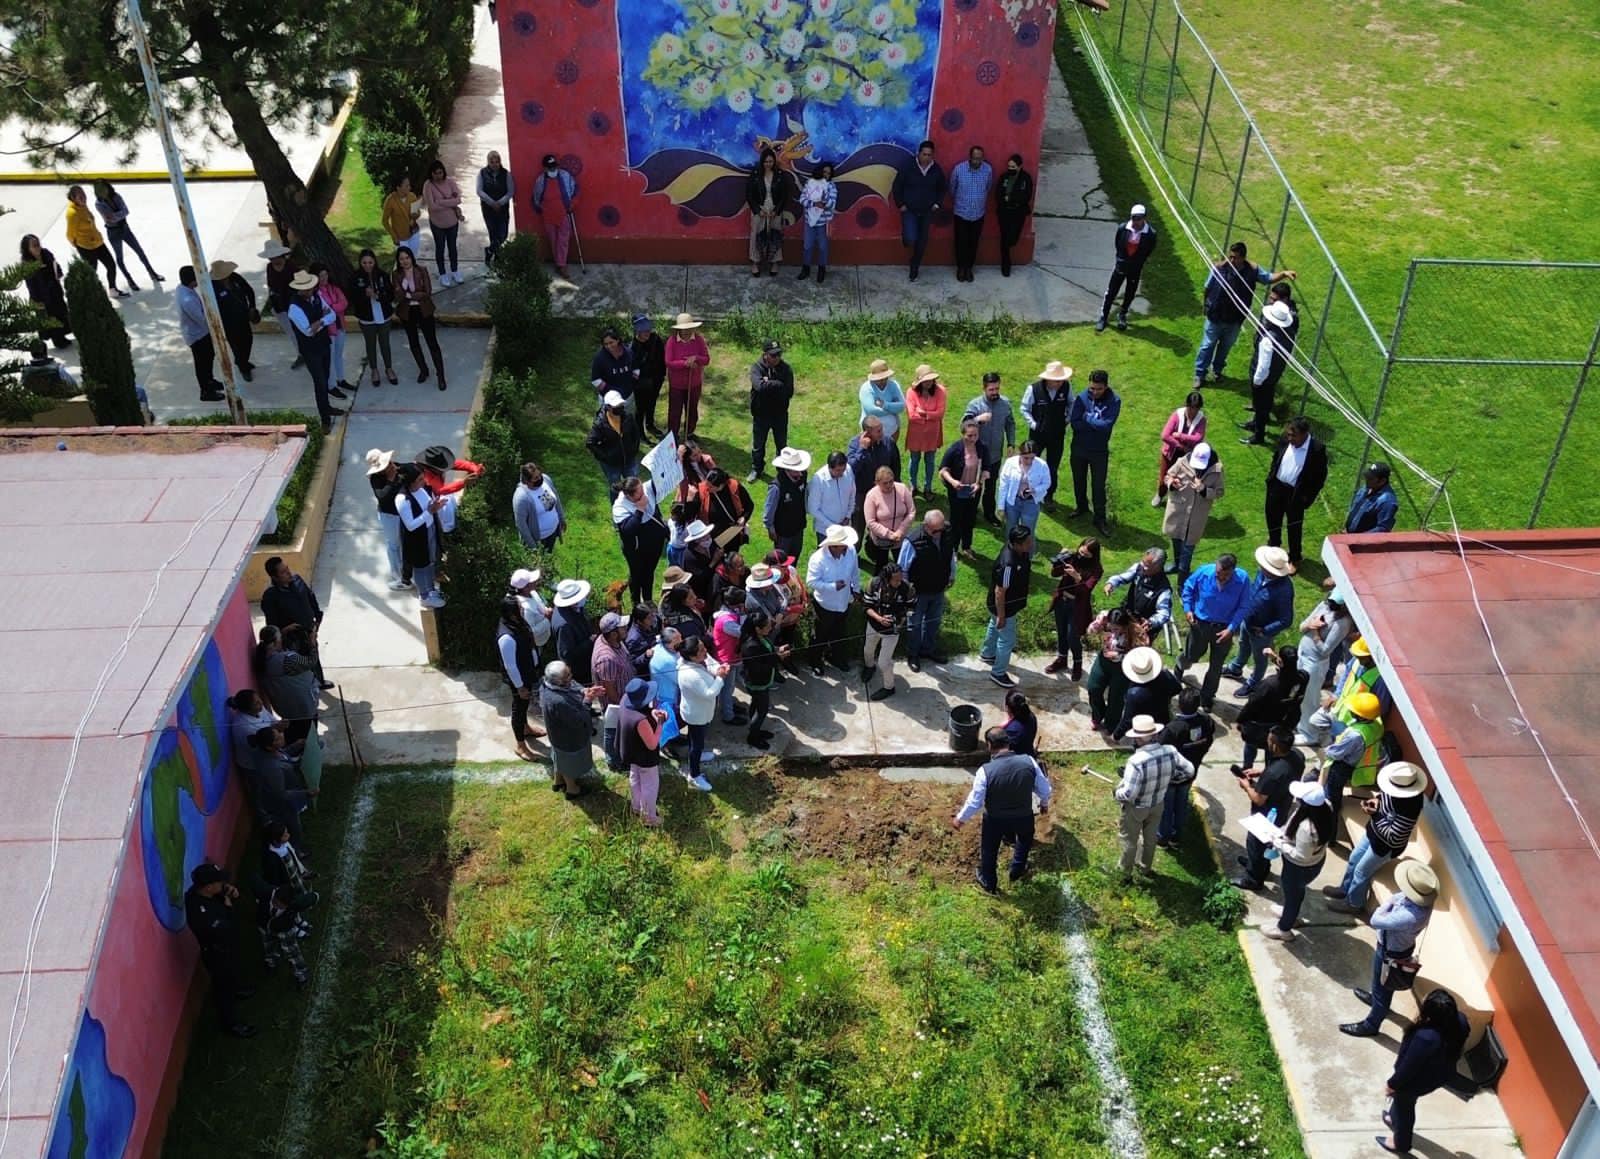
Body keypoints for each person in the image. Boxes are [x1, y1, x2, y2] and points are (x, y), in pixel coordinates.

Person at [1339, 861, 1440, 1039]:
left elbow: (1376, 919)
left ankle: (1371, 1024)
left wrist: (1387, 904)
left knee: (1383, 988)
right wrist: (1392, 902)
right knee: (1384, 983)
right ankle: (1377, 1000)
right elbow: (1397, 898)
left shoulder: (1409, 916)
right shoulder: (1423, 900)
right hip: (1399, 948)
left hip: (1391, 953)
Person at [952, 725, 1054, 893]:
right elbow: (1044, 789)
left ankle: (989, 882)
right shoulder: (1028, 761)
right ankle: (1017, 871)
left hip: (995, 820)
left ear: (990, 745)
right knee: (1024, 840)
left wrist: (960, 819)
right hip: (1023, 816)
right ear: (1008, 742)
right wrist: (1043, 804)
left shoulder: (985, 772)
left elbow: (975, 802)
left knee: (989, 850)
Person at [1325, 761, 1429, 916]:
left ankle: (1354, 903)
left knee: (1361, 871)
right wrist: (1377, 801)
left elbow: (1394, 835)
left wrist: (1374, 814)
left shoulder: (1410, 807)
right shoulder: (1395, 786)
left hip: (1384, 846)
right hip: (1373, 833)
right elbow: (1385, 797)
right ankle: (1344, 889)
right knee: (1354, 858)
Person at [1379, 988, 1470, 1155]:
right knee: (1403, 1104)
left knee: (1405, 1106)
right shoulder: (1460, 1022)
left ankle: (1401, 1143)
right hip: (1438, 1075)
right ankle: (1394, 1118)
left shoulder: (1426, 1037)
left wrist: (1392, 1084)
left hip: (1416, 1081)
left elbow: (1408, 1067)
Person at [1195, 241, 1297, 388]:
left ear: (1243, 258)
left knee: (1225, 347)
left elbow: (1268, 278)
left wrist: (1283, 274)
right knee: (1207, 346)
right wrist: (1205, 305)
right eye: (1230, 256)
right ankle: (1199, 374)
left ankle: (1217, 371)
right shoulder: (1219, 268)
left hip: (1234, 320)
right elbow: (1207, 287)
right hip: (1215, 316)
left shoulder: (1253, 271)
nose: (1231, 260)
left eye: (1235, 257)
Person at [1114, 715, 1192, 884]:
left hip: (1137, 808)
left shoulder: (1135, 762)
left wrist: (1116, 792)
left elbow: (1129, 794)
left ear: (1138, 739)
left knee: (1129, 840)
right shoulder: (1171, 751)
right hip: (1158, 804)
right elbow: (1189, 771)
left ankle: (1124, 873)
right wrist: (1171, 778)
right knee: (1150, 840)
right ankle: (1144, 869)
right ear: (1155, 734)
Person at [185, 864, 256, 1037]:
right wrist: (229, 906)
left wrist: (227, 890)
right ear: (208, 887)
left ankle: (238, 989)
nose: (222, 884)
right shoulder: (201, 913)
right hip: (218, 954)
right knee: (224, 989)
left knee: (234, 973)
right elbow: (225, 928)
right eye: (219, 882)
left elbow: (220, 891)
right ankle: (231, 1024)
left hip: (227, 948)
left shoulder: (201, 892)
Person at [1231, 725, 1304, 891]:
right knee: (1267, 843)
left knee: (1256, 844)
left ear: (1274, 746)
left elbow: (1258, 799)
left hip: (1266, 813)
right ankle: (1261, 868)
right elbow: (1281, 772)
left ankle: (1253, 879)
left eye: (1269, 740)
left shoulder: (1273, 774)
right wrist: (1261, 772)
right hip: (1283, 807)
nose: (1266, 741)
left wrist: (1246, 786)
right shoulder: (1297, 757)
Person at [1263, 779, 1336, 941]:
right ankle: (1289, 913)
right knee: (1295, 893)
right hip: (1315, 861)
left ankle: (1284, 928)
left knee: (1294, 896)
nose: (1296, 800)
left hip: (1299, 868)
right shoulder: (1326, 807)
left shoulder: (1306, 828)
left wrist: (1278, 843)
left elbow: (1300, 855)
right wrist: (1282, 833)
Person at [1177, 552, 1250, 711]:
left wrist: (1231, 629)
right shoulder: (1204, 572)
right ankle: (1179, 669)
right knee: (1192, 654)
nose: (1221, 577)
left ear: (1233, 571)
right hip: (1200, 624)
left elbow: (1244, 606)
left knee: (1216, 666)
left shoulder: (1242, 579)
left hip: (1224, 630)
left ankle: (1207, 696)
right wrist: (1188, 609)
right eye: (1218, 573)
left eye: (1225, 575)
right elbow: (1188, 589)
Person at [1221, 545, 1297, 695]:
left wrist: (1265, 631)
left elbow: (1286, 619)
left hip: (1261, 632)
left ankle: (1254, 684)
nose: (1260, 566)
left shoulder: (1284, 590)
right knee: (1243, 645)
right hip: (1247, 621)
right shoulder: (1261, 574)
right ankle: (1236, 668)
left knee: (1260, 659)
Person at [261, 556, 334, 690]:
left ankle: (320, 681)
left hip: (309, 630)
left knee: (314, 656)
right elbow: (271, 624)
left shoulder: (297, 580)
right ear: (274, 577)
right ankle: (309, 688)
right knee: (301, 664)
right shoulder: (270, 596)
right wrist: (285, 630)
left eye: (287, 568)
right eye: (283, 572)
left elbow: (310, 597)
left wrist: (317, 618)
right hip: (292, 638)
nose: (288, 573)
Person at [898, 509, 957, 672]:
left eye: (940, 529)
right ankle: (913, 654)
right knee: (914, 625)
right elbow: (902, 569)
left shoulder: (946, 532)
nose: (938, 533)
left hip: (938, 589)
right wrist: (907, 591)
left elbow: (950, 554)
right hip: (917, 592)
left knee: (933, 622)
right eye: (934, 530)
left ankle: (928, 650)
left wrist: (952, 574)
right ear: (925, 526)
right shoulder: (912, 540)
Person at [1155, 688, 1213, 850]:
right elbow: (1208, 741)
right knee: (1181, 804)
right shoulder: (1206, 722)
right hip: (1191, 772)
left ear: (1179, 705)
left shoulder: (1173, 729)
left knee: (1166, 806)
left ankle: (1163, 838)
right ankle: (1176, 836)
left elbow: (1159, 750)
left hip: (1170, 775)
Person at [1233, 646, 1309, 770]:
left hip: (1260, 725)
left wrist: (1240, 720)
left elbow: (1252, 704)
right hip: (1282, 723)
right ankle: (1268, 769)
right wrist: (1274, 657)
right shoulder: (1303, 678)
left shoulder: (1269, 684)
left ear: (1281, 662)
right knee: (1272, 749)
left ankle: (1247, 769)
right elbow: (1290, 670)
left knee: (1251, 745)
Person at [1240, 294, 1299, 444]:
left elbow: (1263, 364)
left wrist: (1257, 380)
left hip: (1264, 377)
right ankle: (1255, 424)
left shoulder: (1268, 339)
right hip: (1275, 375)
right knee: (1266, 402)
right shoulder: (1289, 335)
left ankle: (1258, 435)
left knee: (1261, 406)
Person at [980, 524, 1035, 689]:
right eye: (1027, 541)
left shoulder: (1020, 553)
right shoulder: (1008, 564)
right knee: (1007, 640)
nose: (1031, 543)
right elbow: (1000, 592)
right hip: (1004, 607)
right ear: (1017, 543)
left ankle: (988, 654)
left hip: (1001, 606)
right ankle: (998, 673)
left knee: (993, 626)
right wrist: (1002, 615)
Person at [286, 269, 341, 430]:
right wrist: (322, 320)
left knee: (326, 376)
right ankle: (325, 418)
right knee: (320, 382)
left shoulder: (316, 296)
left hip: (323, 344)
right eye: (307, 289)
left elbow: (331, 315)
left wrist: (319, 322)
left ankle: (327, 407)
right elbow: (308, 331)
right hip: (311, 350)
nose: (310, 291)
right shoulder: (294, 308)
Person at [1069, 369, 1121, 536]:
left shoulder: (1114, 400)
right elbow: (1074, 422)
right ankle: (1081, 506)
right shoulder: (1082, 397)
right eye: (1092, 388)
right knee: (1079, 479)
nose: (1094, 392)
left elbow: (1106, 426)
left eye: (1098, 389)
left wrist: (1088, 418)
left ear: (1106, 386)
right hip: (1079, 447)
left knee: (1098, 486)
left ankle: (1100, 518)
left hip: (1099, 451)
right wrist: (1094, 423)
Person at [540, 660, 602, 799]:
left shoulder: (546, 684)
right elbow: (578, 720)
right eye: (567, 676)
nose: (571, 677)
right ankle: (572, 789)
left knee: (559, 759)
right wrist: (587, 700)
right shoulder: (558, 701)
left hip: (557, 738)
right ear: (559, 682)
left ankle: (558, 781)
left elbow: (573, 685)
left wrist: (584, 690)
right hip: (568, 739)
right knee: (569, 764)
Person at [1295, 590, 1353, 736]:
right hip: (1302, 654)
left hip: (1314, 663)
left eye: (1336, 604)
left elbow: (1326, 651)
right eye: (1331, 601)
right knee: (1297, 692)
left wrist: (1315, 634)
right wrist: (1310, 625)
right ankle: (1298, 723)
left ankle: (1310, 734)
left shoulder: (1343, 622)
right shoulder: (1324, 606)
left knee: (1310, 699)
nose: (1331, 606)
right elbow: (1302, 627)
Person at [1162, 442, 1224, 579]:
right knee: (1176, 540)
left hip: (1196, 517)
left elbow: (1219, 492)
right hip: (1178, 512)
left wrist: (1203, 489)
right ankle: (1176, 565)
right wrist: (1172, 483)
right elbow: (1168, 476)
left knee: (1188, 548)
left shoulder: (1217, 470)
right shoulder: (1182, 461)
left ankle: (1182, 580)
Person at [805, 524, 861, 675]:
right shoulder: (818, 559)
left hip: (844, 602)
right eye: (843, 545)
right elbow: (811, 582)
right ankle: (815, 661)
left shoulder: (850, 552)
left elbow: (855, 571)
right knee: (820, 636)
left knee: (839, 634)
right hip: (825, 605)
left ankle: (835, 658)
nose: (846, 547)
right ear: (834, 546)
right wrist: (832, 586)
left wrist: (856, 589)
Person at [495, 596, 546, 761]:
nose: (523, 609)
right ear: (512, 614)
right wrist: (520, 687)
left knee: (524, 706)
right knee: (519, 707)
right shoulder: (506, 637)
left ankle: (526, 728)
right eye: (519, 608)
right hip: (519, 679)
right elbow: (510, 666)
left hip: (527, 673)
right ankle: (520, 745)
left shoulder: (517, 623)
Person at [1045, 537, 1103, 680]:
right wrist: (1060, 558)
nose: (1081, 556)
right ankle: (1062, 659)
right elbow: (1055, 573)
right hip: (1061, 601)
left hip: (1077, 606)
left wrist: (1078, 578)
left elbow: (1087, 590)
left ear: (1093, 556)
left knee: (1073, 636)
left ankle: (1077, 663)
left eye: (1086, 555)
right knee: (1061, 632)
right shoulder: (1072, 557)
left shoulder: (1096, 569)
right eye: (1081, 552)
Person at [962, 373, 1015, 526]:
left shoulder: (1005, 404)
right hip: (977, 456)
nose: (995, 392)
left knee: (991, 487)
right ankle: (970, 514)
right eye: (991, 389)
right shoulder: (975, 405)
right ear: (984, 388)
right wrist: (977, 420)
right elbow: (964, 425)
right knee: (975, 486)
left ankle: (989, 513)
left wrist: (1010, 443)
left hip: (995, 455)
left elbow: (1010, 423)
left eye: (997, 388)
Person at [393, 245, 447, 389]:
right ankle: (423, 370)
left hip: (424, 310)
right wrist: (410, 294)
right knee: (413, 342)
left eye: (407, 258)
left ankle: (440, 375)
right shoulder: (397, 274)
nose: (405, 261)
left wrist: (409, 295)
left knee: (432, 343)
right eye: (401, 259)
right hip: (407, 312)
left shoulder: (421, 270)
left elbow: (427, 292)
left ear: (411, 257)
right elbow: (398, 295)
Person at [92, 179, 163, 289]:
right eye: (99, 190)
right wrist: (118, 215)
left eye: (103, 188)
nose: (102, 192)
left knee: (139, 251)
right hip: (113, 232)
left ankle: (152, 273)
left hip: (125, 228)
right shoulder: (99, 204)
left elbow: (125, 211)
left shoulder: (116, 196)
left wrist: (115, 216)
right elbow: (109, 219)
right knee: (119, 258)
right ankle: (130, 280)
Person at [1084, 607, 1145, 733]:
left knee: (1116, 697)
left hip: (1123, 667)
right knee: (1093, 688)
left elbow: (1141, 653)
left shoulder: (1137, 632)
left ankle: (1112, 723)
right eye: (1111, 628)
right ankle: (1098, 715)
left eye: (1117, 629)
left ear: (1125, 625)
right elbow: (1089, 631)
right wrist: (1097, 623)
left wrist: (1120, 656)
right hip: (1104, 661)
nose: (1113, 631)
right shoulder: (1106, 620)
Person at [1097, 204, 1157, 332]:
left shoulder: (1151, 234)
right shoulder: (1123, 228)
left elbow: (1148, 251)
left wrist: (1138, 262)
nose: (1136, 221)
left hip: (1135, 268)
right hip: (1121, 265)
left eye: (1139, 218)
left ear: (1144, 218)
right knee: (1111, 291)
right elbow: (1118, 244)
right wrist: (1121, 259)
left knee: (1130, 293)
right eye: (1134, 218)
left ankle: (1122, 315)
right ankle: (1104, 317)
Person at [891, 139, 945, 281]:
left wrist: (937, 204)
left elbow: (942, 188)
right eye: (924, 154)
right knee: (910, 238)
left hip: (927, 211)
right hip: (909, 209)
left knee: (922, 242)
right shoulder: (908, 166)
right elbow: (897, 186)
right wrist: (900, 204)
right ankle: (907, 239)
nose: (926, 157)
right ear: (919, 153)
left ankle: (914, 265)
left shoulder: (936, 169)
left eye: (929, 155)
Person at [676, 636, 725, 790]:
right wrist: (721, 678)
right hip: (696, 714)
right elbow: (709, 693)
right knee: (696, 744)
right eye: (702, 650)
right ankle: (694, 775)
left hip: (698, 710)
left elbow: (709, 660)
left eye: (704, 647)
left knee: (696, 739)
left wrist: (718, 669)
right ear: (692, 656)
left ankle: (698, 755)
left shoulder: (695, 658)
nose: (706, 651)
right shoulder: (690, 675)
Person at [256, 626, 319, 747]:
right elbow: (311, 661)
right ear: (275, 642)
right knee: (307, 736)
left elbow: (275, 648)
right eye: (280, 638)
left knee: (294, 735)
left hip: (286, 708)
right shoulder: (288, 660)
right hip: (303, 707)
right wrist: (312, 642)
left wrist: (282, 632)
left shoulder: (261, 658)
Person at [1020, 361, 1072, 503]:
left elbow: (1071, 404)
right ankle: (1028, 491)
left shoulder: (1067, 387)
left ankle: (1049, 495)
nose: (1060, 383)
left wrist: (1067, 419)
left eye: (1062, 380)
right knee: (1030, 463)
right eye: (1057, 380)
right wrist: (1034, 425)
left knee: (1053, 466)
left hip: (1057, 435)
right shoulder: (1033, 389)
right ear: (1048, 378)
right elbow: (1024, 409)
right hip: (1038, 435)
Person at [861, 561, 914, 701]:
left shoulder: (907, 589)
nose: (899, 581)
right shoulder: (873, 584)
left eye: (900, 578)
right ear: (886, 578)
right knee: (868, 650)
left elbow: (911, 608)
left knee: (884, 663)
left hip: (892, 631)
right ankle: (869, 667)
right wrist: (879, 618)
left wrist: (900, 621)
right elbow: (867, 607)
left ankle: (889, 687)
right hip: (873, 625)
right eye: (896, 579)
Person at [613, 475, 669, 606]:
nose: (644, 493)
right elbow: (628, 530)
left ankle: (648, 600)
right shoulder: (620, 507)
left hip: (654, 544)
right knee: (637, 575)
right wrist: (640, 510)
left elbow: (661, 481)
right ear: (630, 496)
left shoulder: (647, 488)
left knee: (649, 573)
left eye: (642, 488)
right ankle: (636, 602)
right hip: (636, 551)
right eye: (640, 492)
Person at [617, 678, 667, 826]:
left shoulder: (625, 699)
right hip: (644, 757)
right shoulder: (641, 720)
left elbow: (641, 709)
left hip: (629, 751)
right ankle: (649, 818)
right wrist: (660, 724)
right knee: (649, 785)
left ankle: (637, 807)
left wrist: (652, 712)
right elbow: (652, 744)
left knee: (635, 776)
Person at [938, 418, 990, 556]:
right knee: (956, 520)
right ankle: (954, 548)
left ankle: (966, 546)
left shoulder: (982, 447)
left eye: (976, 435)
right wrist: (953, 482)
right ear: (963, 434)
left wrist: (980, 481)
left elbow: (986, 468)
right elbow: (943, 470)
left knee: (970, 519)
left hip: (973, 490)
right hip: (957, 490)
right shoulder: (955, 449)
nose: (973, 439)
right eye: (970, 436)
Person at [740, 611, 791, 749]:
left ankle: (755, 729)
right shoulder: (750, 646)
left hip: (763, 681)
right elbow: (758, 667)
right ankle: (753, 737)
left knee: (756, 705)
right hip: (757, 682)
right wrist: (778, 658)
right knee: (762, 711)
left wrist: (777, 649)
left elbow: (767, 651)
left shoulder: (761, 638)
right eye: (768, 626)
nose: (771, 627)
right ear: (758, 628)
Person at [398, 472, 448, 609]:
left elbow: (428, 505)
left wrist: (437, 504)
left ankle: (431, 589)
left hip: (429, 530)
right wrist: (430, 512)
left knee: (430, 561)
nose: (424, 481)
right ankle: (424, 596)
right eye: (420, 479)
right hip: (416, 539)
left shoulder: (421, 490)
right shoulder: (403, 499)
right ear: (411, 482)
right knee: (421, 566)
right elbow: (410, 525)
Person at [65, 185, 124, 296]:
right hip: (86, 246)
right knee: (92, 271)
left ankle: (112, 289)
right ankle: (91, 294)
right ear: (73, 198)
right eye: (80, 196)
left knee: (111, 265)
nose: (83, 198)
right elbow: (70, 234)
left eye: (83, 194)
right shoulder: (72, 214)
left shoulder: (83, 206)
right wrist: (78, 245)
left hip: (98, 242)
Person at [176, 266, 224, 402]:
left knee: (208, 359)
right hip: (198, 335)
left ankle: (210, 381)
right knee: (202, 363)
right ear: (192, 281)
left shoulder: (182, 289)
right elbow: (202, 320)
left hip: (199, 333)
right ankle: (206, 391)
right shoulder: (188, 300)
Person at [749, 339, 795, 480]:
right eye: (773, 355)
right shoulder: (757, 368)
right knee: (758, 445)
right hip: (761, 414)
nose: (777, 358)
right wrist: (777, 384)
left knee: (781, 445)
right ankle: (757, 468)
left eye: (779, 354)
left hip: (780, 414)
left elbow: (789, 391)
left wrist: (769, 383)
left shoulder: (786, 369)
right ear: (765, 355)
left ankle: (782, 471)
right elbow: (759, 387)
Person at [1114, 645, 1182, 742]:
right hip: (1163, 722)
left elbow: (1127, 721)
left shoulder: (1134, 694)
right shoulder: (1164, 676)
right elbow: (1177, 688)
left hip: (1143, 729)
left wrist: (1115, 736)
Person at [350, 249, 397, 387]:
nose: (367, 265)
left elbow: (390, 295)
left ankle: (389, 368)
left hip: (383, 316)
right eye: (364, 262)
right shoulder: (355, 277)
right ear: (360, 263)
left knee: (385, 344)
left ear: (374, 262)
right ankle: (374, 370)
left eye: (370, 262)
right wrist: (365, 294)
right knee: (370, 345)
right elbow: (353, 298)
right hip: (367, 317)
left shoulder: (382, 275)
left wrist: (379, 296)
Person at [205, 259, 258, 382]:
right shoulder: (213, 287)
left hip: (243, 317)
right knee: (236, 345)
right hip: (228, 322)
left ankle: (242, 361)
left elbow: (249, 290)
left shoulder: (235, 278)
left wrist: (252, 306)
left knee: (248, 340)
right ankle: (243, 367)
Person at [847, 417, 901, 534]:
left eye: (881, 429)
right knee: (857, 529)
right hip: (862, 494)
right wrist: (862, 449)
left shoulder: (888, 442)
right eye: (878, 431)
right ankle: (854, 551)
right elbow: (851, 469)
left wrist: (896, 488)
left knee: (883, 527)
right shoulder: (855, 445)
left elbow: (896, 467)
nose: (882, 433)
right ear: (867, 432)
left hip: (884, 492)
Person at [1104, 546, 1174, 636]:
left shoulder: (1163, 589)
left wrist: (1151, 622)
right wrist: (1111, 583)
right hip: (1127, 617)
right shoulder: (1139, 568)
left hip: (1143, 628)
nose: (1143, 567)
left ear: (1158, 567)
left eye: (1147, 566)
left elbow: (1163, 613)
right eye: (1143, 562)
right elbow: (1123, 577)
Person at [745, 147, 794, 276]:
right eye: (766, 161)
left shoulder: (780, 175)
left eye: (771, 161)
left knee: (775, 236)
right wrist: (757, 210)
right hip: (759, 209)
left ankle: (775, 262)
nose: (768, 164)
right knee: (756, 235)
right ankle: (755, 263)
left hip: (774, 210)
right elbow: (749, 194)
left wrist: (776, 211)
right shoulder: (755, 174)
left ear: (774, 161)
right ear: (762, 162)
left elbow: (784, 195)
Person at [948, 145, 993, 282]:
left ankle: (969, 268)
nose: (977, 161)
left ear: (983, 158)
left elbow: (988, 187)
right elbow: (952, 188)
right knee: (960, 242)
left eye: (979, 158)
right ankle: (961, 268)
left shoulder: (988, 170)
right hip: (961, 213)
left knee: (973, 242)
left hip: (978, 214)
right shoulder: (959, 169)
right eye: (974, 158)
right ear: (970, 157)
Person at [532, 154, 579, 278]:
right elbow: (536, 198)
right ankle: (559, 264)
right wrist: (541, 209)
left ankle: (561, 265)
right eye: (550, 168)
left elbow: (576, 190)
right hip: (548, 215)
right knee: (554, 241)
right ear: (545, 168)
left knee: (563, 241)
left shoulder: (565, 176)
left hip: (563, 213)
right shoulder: (540, 181)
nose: (553, 170)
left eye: (554, 167)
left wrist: (572, 204)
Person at [1156, 390, 1207, 505]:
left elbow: (1198, 438)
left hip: (1187, 456)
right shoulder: (1177, 415)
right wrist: (1181, 446)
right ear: (1186, 405)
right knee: (1164, 477)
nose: (1193, 412)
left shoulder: (1202, 420)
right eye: (1191, 408)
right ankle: (1160, 495)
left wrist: (1179, 435)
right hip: (1171, 453)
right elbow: (1165, 435)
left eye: (1196, 409)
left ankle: (1177, 501)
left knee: (1183, 480)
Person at [20, 234, 72, 347]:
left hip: (55, 291)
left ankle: (62, 335)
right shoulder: (27, 264)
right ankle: (58, 341)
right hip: (42, 296)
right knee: (50, 318)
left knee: (60, 313)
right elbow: (31, 285)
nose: (37, 247)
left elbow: (55, 266)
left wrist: (58, 272)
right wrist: (37, 301)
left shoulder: (46, 253)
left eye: (38, 244)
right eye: (34, 246)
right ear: (27, 249)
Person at [904, 366, 948, 497]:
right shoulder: (911, 392)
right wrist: (930, 416)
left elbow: (940, 414)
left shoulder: (940, 391)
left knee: (930, 460)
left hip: (932, 433)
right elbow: (911, 415)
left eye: (931, 380)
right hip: (916, 432)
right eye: (925, 380)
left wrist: (924, 414)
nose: (929, 383)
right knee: (914, 459)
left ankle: (927, 487)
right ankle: (913, 485)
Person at [665, 312, 709, 439]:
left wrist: (696, 358)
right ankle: (672, 435)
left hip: (694, 383)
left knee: (692, 410)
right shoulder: (672, 342)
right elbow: (669, 362)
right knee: (675, 412)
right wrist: (685, 363)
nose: (685, 332)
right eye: (683, 330)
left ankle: (689, 433)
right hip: (677, 384)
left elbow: (706, 359)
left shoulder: (699, 340)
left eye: (688, 329)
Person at [763, 447, 812, 561]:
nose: (800, 473)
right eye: (796, 470)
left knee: (795, 557)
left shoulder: (802, 476)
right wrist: (770, 528)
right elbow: (769, 511)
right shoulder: (776, 487)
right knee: (782, 561)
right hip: (783, 533)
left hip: (799, 527)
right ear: (787, 469)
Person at [862, 465, 915, 571]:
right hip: (881, 541)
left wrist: (900, 532)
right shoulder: (871, 496)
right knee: (882, 568)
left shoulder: (902, 489)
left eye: (891, 481)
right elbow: (870, 522)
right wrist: (889, 535)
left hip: (900, 538)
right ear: (877, 483)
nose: (889, 485)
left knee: (903, 567)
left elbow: (911, 512)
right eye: (885, 483)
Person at [310, 263, 352, 393]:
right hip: (328, 330)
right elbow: (322, 311)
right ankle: (331, 385)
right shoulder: (315, 293)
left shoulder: (334, 288)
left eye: (325, 275)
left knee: (338, 354)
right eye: (320, 276)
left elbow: (344, 303)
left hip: (339, 326)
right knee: (330, 357)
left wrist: (332, 308)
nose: (323, 278)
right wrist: (335, 307)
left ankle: (341, 379)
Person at [586, 391, 642, 488]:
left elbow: (636, 434)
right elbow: (590, 443)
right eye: (616, 406)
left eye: (620, 405)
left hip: (629, 460)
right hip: (612, 465)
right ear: (608, 407)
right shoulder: (600, 423)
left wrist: (634, 449)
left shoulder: (628, 417)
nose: (619, 408)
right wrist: (606, 457)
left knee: (635, 487)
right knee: (615, 490)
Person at [421, 159, 464, 285]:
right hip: (437, 223)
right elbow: (432, 206)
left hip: (452, 222)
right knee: (440, 248)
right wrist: (449, 202)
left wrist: (440, 202)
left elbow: (458, 200)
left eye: (440, 173)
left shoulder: (450, 182)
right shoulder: (428, 185)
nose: (438, 176)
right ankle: (442, 274)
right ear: (431, 174)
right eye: (435, 173)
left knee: (452, 248)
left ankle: (455, 270)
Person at [710, 589, 748, 727]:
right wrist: (745, 615)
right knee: (727, 688)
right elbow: (742, 633)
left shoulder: (731, 614)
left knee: (731, 686)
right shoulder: (726, 621)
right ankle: (728, 715)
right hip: (727, 659)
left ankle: (730, 705)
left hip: (734, 656)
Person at [998, 442, 1052, 535]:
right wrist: (1001, 506)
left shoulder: (1042, 465)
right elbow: (1003, 485)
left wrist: (1035, 490)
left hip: (1031, 503)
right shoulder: (1010, 463)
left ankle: (1028, 549)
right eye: (1026, 458)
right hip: (1012, 502)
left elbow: (1047, 483)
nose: (1029, 461)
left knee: (1028, 531)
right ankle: (1010, 549)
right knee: (1011, 530)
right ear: (1020, 453)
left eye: (1032, 458)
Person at [807, 451, 856, 552]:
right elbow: (813, 508)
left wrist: (848, 515)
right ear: (830, 467)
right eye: (838, 471)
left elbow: (852, 494)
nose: (842, 473)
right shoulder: (819, 480)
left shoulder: (848, 470)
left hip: (844, 525)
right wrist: (832, 525)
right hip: (825, 530)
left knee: (843, 555)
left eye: (843, 470)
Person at [797, 160, 837, 283]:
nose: (826, 175)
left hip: (823, 223)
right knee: (807, 245)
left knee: (822, 247)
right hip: (810, 221)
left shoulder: (831, 186)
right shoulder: (810, 183)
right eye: (824, 172)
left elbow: (832, 203)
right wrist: (813, 203)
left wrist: (823, 203)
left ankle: (821, 269)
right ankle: (806, 268)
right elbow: (802, 199)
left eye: (828, 173)